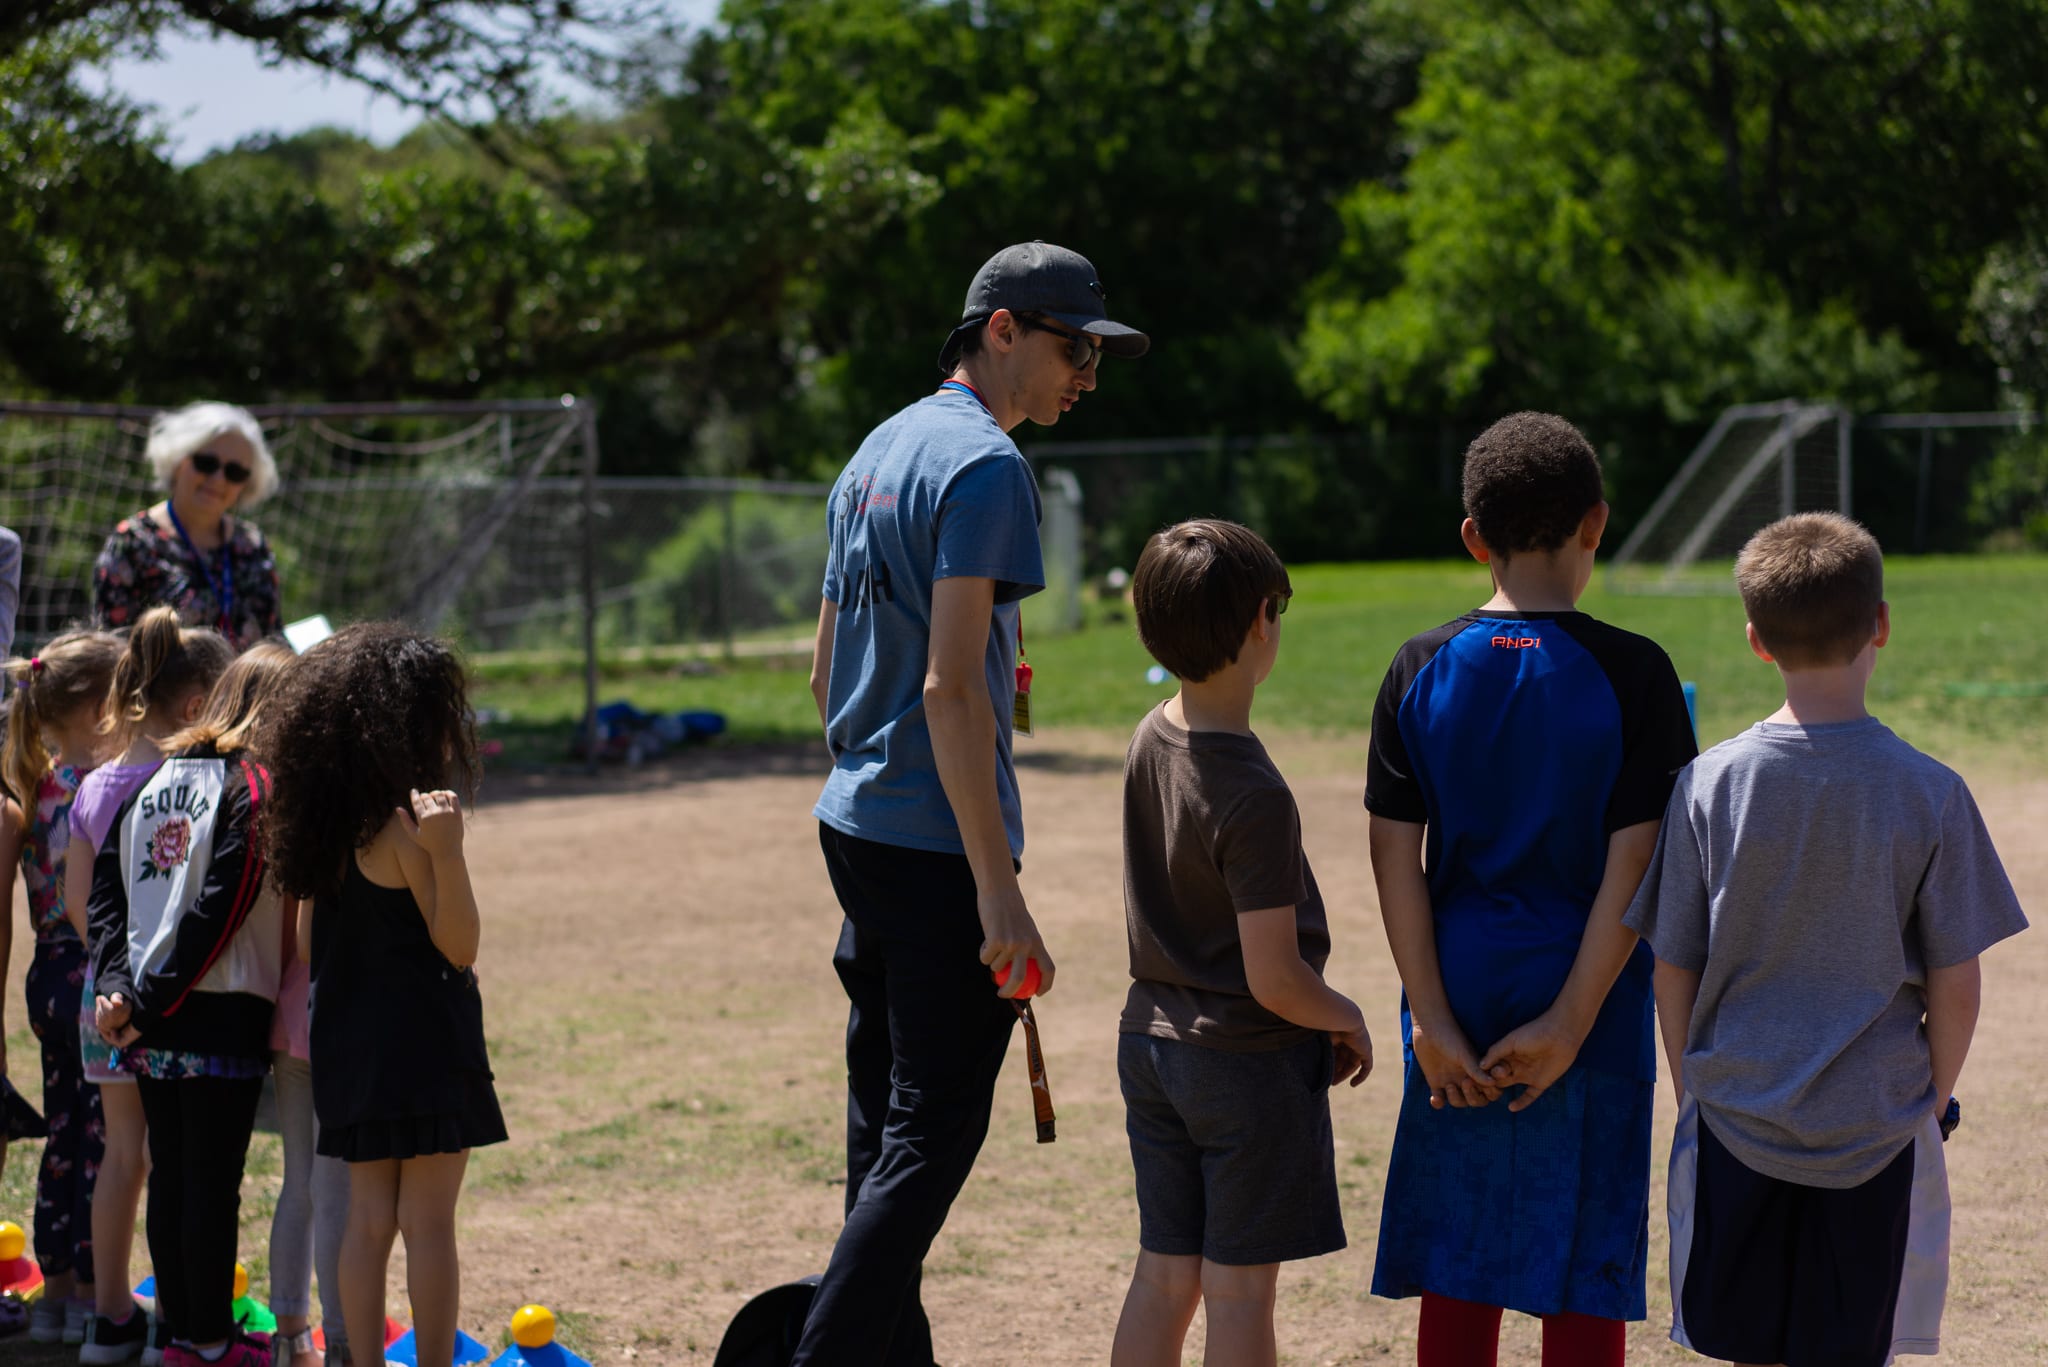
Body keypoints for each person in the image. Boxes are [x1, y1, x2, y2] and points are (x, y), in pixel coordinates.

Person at [798, 241, 1147, 1366]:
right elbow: (949, 687)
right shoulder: (987, 464)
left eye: (1095, 353)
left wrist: (879, 771)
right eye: (1070, 347)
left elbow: (824, 670)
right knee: (932, 1133)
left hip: (852, 817)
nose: (1085, 374)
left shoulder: (875, 449)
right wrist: (997, 891)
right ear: (998, 329)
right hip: (931, 842)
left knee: (884, 1119)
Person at [1624, 512, 2028, 1367]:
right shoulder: (1932, 791)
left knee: (1751, 1347)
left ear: (1754, 639)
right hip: (1874, 1129)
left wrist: (1692, 1083)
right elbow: (1958, 981)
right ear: (1880, 624)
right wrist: (1930, 1097)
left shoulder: (1706, 785)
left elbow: (1672, 962)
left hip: (1736, 1116)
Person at [1364, 412, 1697, 1366]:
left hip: (1455, 995)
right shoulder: (1638, 673)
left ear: (1473, 536)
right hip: (1588, 997)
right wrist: (1571, 1020)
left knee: (1458, 1276)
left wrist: (1428, 1018)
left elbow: (1396, 859)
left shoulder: (1418, 665)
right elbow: (1637, 864)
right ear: (1598, 523)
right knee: (1582, 1278)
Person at [1108, 521, 1371, 1367]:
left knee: (1164, 1275)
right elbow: (1275, 977)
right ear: (1263, 621)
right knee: (1239, 1292)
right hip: (1242, 1066)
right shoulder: (1253, 791)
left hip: (1150, 1045)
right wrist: (1345, 1013)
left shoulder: (1151, 733)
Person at [259, 623, 505, 1367]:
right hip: (426, 1042)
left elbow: (305, 946)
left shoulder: (327, 833)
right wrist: (449, 853)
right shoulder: (407, 827)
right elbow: (458, 944)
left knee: (368, 1222)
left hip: (349, 1046)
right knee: (429, 1221)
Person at [87, 620, 288, 1367]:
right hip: (209, 1012)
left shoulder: (156, 780)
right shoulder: (255, 785)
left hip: (143, 1016)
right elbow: (224, 905)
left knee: (172, 1177)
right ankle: (207, 1341)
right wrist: (150, 996)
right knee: (207, 1185)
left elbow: (105, 894)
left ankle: (176, 1336)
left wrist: (117, 988)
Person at [69, 608, 235, 1366]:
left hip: (102, 998)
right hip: (169, 999)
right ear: (198, 704)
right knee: (177, 1158)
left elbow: (81, 904)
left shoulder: (98, 784)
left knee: (124, 1153)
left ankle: (108, 1320)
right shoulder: (203, 781)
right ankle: (178, 1323)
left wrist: (111, 983)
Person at [0, 630, 122, 1347]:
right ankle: (86, 1292)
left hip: (47, 974)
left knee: (63, 1136)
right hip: (90, 970)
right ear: (104, 705)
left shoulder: (35, 780)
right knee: (101, 1139)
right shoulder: (97, 785)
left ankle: (55, 1290)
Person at [93, 402, 283, 652]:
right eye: (206, 463)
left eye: (234, 472)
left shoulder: (254, 546)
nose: (218, 479)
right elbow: (110, 652)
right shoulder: (133, 543)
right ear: (179, 459)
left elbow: (273, 640)